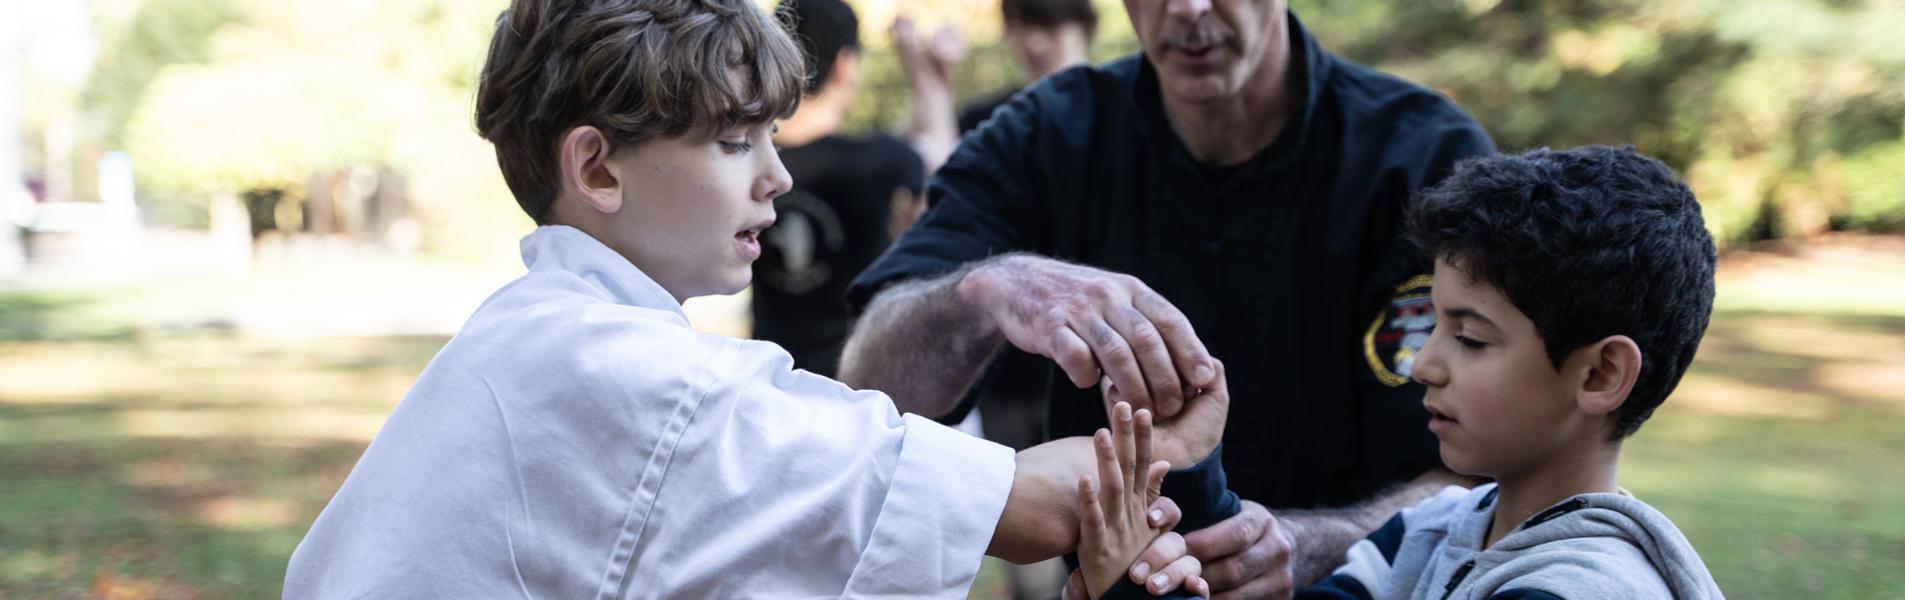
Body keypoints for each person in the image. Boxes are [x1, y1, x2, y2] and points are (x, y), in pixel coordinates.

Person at [282, 0, 1215, 596]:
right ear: (597, 167)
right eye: (735, 141)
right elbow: (1032, 507)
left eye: (771, 135)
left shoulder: (527, 335)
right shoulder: (630, 379)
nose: (776, 176)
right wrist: (1175, 433)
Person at [841, 0, 1498, 595]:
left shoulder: (1422, 155)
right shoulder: (1047, 132)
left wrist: (1318, 544)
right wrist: (981, 291)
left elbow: (1488, 471)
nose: (1186, 10)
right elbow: (870, 392)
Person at [1095, 146, 1728, 600]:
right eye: (1434, 326)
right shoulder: (1433, 532)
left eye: (1471, 338)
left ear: (1598, 375)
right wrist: (1190, 469)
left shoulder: (1575, 588)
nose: (1424, 364)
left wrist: (1127, 579)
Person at [752, 0, 928, 377]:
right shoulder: (879, 163)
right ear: (846, 65)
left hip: (771, 379)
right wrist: (918, 63)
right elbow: (939, 159)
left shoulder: (745, 160)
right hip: (856, 383)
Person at [958, 0, 1099, 134]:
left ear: (1084, 26)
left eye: (1048, 25)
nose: (1034, 43)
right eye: (1021, 26)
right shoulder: (986, 121)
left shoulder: (1113, 108)